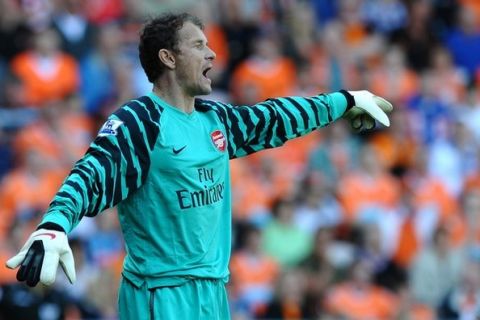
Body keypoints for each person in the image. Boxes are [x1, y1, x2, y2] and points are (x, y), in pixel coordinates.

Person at [5, 13, 392, 319]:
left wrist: (346, 99)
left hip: (214, 291)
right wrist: (55, 225)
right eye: (198, 45)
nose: (212, 54)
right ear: (169, 58)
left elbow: (275, 117)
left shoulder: (214, 119)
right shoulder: (141, 120)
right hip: (161, 295)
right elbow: (92, 172)